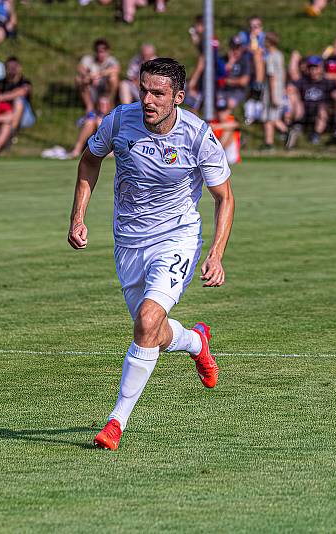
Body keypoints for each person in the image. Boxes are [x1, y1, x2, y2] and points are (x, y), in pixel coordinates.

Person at [67, 58, 235, 451]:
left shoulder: (197, 135)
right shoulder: (118, 122)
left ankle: (115, 422)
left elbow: (224, 198)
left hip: (177, 239)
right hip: (128, 243)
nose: (148, 99)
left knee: (146, 321)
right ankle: (195, 341)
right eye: (143, 90)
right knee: (152, 334)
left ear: (178, 97)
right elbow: (90, 160)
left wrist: (216, 253)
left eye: (158, 93)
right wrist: (78, 217)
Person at [286, 55, 335, 148]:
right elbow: (291, 87)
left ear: (321, 68)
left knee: (322, 110)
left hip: (320, 111)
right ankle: (294, 127)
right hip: (304, 110)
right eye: (311, 68)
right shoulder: (304, 80)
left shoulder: (327, 82)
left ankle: (316, 135)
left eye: (315, 68)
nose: (313, 71)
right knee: (294, 98)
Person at [76, 39, 120, 114]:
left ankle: (110, 103)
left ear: (107, 51)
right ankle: (89, 106)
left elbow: (116, 69)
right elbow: (80, 68)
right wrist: (88, 76)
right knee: (79, 79)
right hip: (91, 87)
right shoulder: (89, 59)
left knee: (114, 78)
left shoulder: (111, 60)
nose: (100, 54)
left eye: (103, 51)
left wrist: (98, 75)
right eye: (98, 51)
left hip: (105, 86)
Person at [261, 32, 286, 150]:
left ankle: (286, 133)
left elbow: (271, 76)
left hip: (272, 90)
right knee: (272, 117)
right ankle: (269, 142)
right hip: (279, 88)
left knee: (268, 118)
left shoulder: (270, 57)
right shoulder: (279, 55)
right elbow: (283, 74)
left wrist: (272, 95)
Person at [0, 56, 34, 131]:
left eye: (15, 66)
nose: (12, 69)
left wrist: (1, 97)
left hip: (25, 116)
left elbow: (22, 92)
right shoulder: (0, 83)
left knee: (18, 100)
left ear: (20, 67)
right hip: (7, 111)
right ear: (5, 68)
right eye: (10, 67)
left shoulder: (25, 82)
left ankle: (12, 131)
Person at [220, 36, 252, 110]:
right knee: (218, 102)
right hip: (223, 90)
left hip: (237, 91)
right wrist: (230, 62)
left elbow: (244, 81)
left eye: (238, 48)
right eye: (234, 48)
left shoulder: (244, 61)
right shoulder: (223, 59)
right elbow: (219, 78)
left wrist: (229, 81)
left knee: (230, 103)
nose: (236, 51)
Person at [210, 99, 241, 164]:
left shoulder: (231, 119)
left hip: (230, 155)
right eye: (219, 111)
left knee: (228, 130)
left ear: (228, 111)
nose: (221, 113)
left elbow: (235, 124)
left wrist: (217, 126)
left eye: (223, 111)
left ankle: (216, 154)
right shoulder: (213, 121)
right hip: (216, 149)